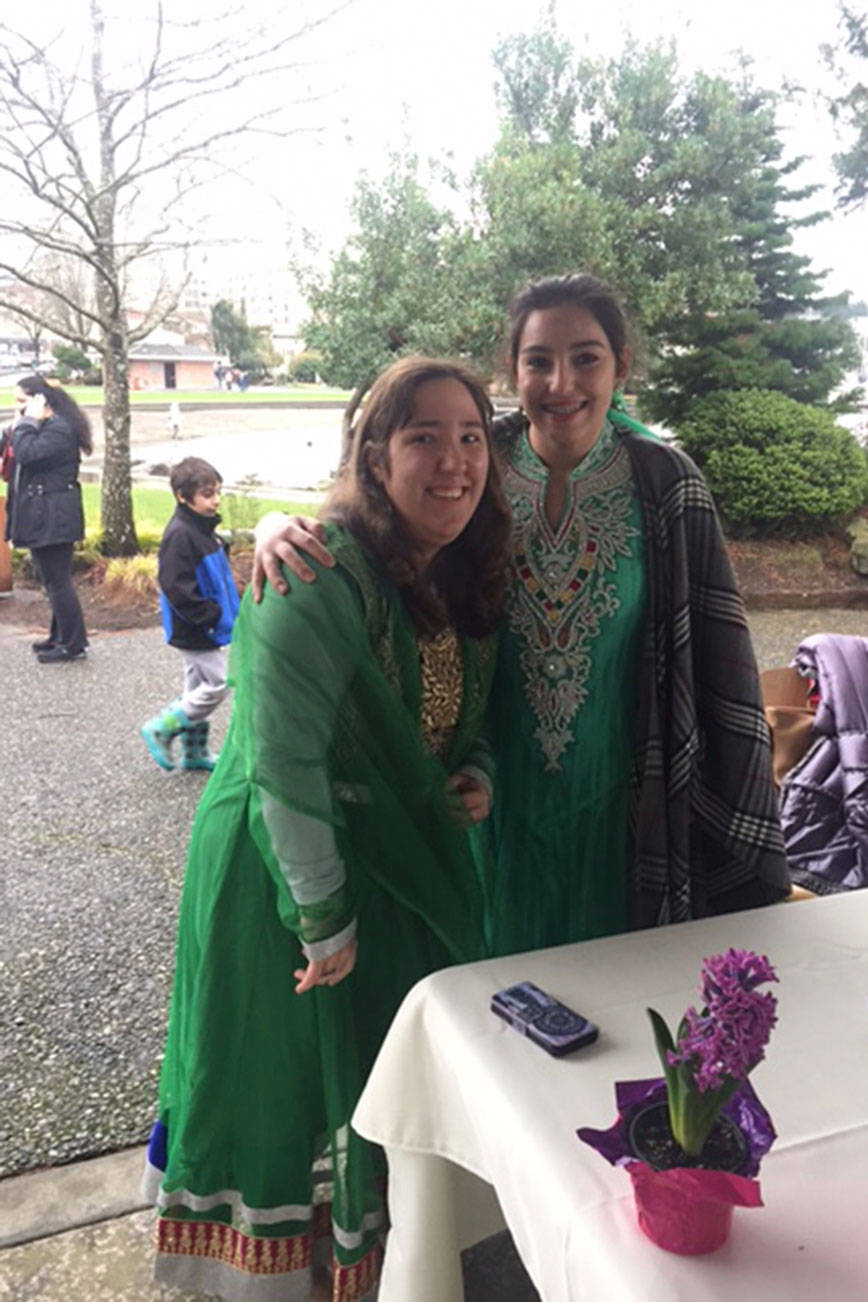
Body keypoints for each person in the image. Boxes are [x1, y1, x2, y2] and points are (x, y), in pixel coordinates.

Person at [254, 274, 790, 956]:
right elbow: (371, 518)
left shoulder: (665, 481)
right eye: (539, 360)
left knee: (613, 1002)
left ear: (621, 366)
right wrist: (277, 524)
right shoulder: (476, 457)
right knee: (493, 1004)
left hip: (622, 808)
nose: (561, 382)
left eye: (587, 357)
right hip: (480, 798)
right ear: (513, 370)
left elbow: (718, 666)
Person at [145, 357, 511, 1301]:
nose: (453, 461)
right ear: (373, 453)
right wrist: (324, 916)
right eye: (422, 437)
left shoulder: (461, 572)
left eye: (470, 437)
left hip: (389, 869)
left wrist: (473, 774)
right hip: (285, 875)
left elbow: (469, 723)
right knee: (285, 1079)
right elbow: (285, 762)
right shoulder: (310, 570)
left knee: (365, 1082)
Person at [141, 456, 240, 773]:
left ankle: (195, 751)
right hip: (195, 627)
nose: (216, 500)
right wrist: (209, 615)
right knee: (220, 684)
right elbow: (174, 585)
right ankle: (161, 727)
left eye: (217, 492)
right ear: (183, 497)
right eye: (208, 494)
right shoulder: (180, 535)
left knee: (196, 690)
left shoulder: (202, 529)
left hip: (204, 624)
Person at [3, 375, 91, 662]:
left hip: (54, 516)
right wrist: (16, 427)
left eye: (22, 401)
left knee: (58, 580)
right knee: (49, 578)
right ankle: (60, 636)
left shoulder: (59, 430)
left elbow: (28, 454)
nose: (19, 408)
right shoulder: (39, 427)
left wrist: (26, 424)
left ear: (41, 400)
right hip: (43, 515)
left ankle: (73, 643)